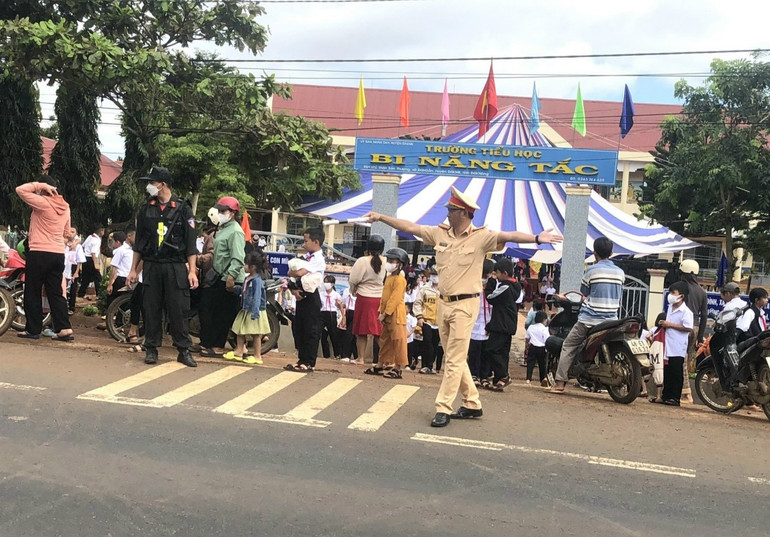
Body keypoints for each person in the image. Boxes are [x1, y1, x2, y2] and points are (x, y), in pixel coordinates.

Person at [364, 185, 562, 427]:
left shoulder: (481, 236)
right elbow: (411, 227)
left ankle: (443, 407)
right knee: (453, 356)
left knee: (454, 359)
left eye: (451, 209)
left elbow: (508, 236)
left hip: (466, 305)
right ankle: (472, 402)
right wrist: (382, 217)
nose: (447, 212)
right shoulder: (440, 233)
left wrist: (537, 239)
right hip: (444, 303)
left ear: (464, 213)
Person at [127, 166, 198, 368]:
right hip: (152, 266)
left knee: (179, 309)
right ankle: (151, 348)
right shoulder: (146, 209)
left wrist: (192, 271)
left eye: (152, 182)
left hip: (175, 266)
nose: (149, 186)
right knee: (151, 308)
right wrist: (134, 269)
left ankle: (183, 350)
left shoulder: (183, 209)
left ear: (162, 184)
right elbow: (140, 244)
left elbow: (191, 244)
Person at [550, 237, 625, 394]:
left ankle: (560, 383)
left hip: (589, 319)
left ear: (595, 253)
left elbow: (583, 294)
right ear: (611, 253)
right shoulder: (620, 272)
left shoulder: (591, 271)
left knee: (568, 345)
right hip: (612, 319)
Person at [15, 175, 74, 340]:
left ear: (44, 189)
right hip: (57, 254)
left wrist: (37, 184)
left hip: (39, 252)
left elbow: (20, 190)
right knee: (55, 292)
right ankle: (64, 329)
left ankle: (33, 329)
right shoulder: (66, 207)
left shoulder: (42, 203)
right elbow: (66, 234)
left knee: (33, 291)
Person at [199, 197, 245, 358]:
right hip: (218, 275)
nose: (220, 214)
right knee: (208, 308)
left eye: (223, 211)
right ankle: (206, 343)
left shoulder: (236, 231)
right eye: (219, 211)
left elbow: (238, 257)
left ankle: (217, 346)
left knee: (222, 313)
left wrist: (231, 276)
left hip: (228, 277)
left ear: (232, 213)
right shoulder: (223, 228)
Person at [284, 227, 325, 373]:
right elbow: (290, 272)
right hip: (300, 294)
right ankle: (301, 359)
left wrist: (296, 272)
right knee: (299, 327)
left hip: (311, 296)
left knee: (310, 330)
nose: (304, 243)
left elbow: (299, 272)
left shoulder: (319, 259)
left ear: (316, 242)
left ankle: (309, 362)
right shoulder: (307, 257)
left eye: (306, 240)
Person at [481, 258, 521, 392]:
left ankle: (504, 375)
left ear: (504, 273)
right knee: (503, 352)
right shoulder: (516, 286)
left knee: (491, 349)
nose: (495, 276)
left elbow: (491, 298)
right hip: (507, 325)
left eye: (496, 273)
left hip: (501, 325)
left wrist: (491, 282)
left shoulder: (505, 287)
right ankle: (499, 379)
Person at [348, 234, 386, 365]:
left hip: (364, 297)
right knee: (378, 331)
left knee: (361, 331)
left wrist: (353, 290)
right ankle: (384, 359)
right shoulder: (386, 261)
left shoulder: (362, 261)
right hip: (380, 298)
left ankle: (361, 358)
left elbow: (354, 279)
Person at [225, 252, 269, 365]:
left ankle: (257, 356)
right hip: (246, 309)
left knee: (256, 334)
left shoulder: (257, 281)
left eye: (246, 264)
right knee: (240, 330)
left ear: (253, 267)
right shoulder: (248, 278)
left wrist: (255, 312)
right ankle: (239, 351)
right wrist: (235, 289)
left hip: (254, 311)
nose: (244, 266)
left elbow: (257, 297)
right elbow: (245, 291)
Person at [371, 247, 409, 379]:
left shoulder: (400, 279)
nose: (389, 263)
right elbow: (385, 297)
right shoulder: (389, 278)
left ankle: (398, 367)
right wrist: (381, 311)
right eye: (389, 260)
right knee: (385, 340)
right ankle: (382, 363)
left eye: (392, 261)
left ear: (400, 264)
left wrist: (385, 313)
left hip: (396, 314)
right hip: (387, 313)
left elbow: (394, 299)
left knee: (398, 341)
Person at [659, 281, 693, 407]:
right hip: (668, 344)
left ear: (681, 296)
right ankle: (666, 395)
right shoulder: (670, 308)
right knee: (667, 371)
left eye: (674, 293)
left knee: (676, 373)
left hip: (678, 346)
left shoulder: (686, 312)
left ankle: (675, 397)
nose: (671, 295)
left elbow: (688, 327)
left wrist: (670, 325)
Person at [678, 259, 707, 404]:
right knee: (688, 360)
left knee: (680, 360)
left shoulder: (681, 288)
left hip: (681, 328)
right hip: (695, 328)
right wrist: (700, 336)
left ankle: (686, 393)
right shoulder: (702, 291)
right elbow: (704, 315)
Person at [467, 258, 495, 386]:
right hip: (474, 322)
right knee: (474, 351)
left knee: (486, 351)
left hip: (488, 322)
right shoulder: (471, 283)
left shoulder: (493, 286)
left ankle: (484, 376)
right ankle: (474, 374)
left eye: (487, 275)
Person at [413, 268, 441, 374]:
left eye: (437, 275)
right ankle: (425, 365)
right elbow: (417, 303)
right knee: (427, 342)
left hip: (439, 323)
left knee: (435, 345)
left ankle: (430, 365)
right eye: (433, 275)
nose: (435, 277)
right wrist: (419, 317)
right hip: (427, 321)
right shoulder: (425, 289)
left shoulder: (444, 290)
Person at [319, 274, 344, 359]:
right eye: (325, 282)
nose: (326, 284)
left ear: (332, 284)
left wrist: (343, 317)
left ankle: (337, 354)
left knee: (333, 335)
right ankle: (326, 355)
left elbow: (340, 306)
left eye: (328, 282)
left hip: (331, 314)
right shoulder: (321, 294)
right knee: (322, 335)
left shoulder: (336, 295)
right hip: (322, 314)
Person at [106, 231, 133, 307]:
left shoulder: (122, 251)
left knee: (113, 299)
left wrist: (110, 284)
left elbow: (114, 268)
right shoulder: (127, 250)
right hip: (127, 279)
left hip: (123, 279)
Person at [78, 224, 105, 299]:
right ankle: (100, 295)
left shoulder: (90, 237)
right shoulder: (96, 240)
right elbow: (93, 252)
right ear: (101, 231)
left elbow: (83, 246)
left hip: (85, 258)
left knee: (85, 278)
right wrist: (96, 264)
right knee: (98, 278)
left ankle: (81, 293)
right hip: (91, 259)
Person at [64, 226, 86, 314]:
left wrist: (76, 272)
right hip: (64, 267)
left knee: (73, 289)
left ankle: (71, 307)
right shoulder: (64, 244)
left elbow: (79, 261)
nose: (70, 233)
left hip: (73, 268)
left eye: (73, 232)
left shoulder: (78, 247)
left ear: (76, 234)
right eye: (69, 231)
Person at [526, 310, 550, 386]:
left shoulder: (531, 327)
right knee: (542, 364)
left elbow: (527, 337)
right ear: (544, 319)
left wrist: (527, 346)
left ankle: (528, 379)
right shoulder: (545, 329)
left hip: (532, 346)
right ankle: (542, 379)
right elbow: (547, 339)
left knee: (530, 363)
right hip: (542, 348)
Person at [339, 285, 358, 362]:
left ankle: (346, 355)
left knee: (349, 334)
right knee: (349, 334)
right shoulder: (346, 291)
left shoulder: (360, 291)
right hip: (348, 312)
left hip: (356, 312)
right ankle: (354, 355)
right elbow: (343, 303)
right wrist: (343, 316)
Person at [405, 302, 419, 370]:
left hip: (409, 338)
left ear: (409, 309)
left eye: (405, 308)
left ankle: (408, 364)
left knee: (409, 352)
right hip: (403, 337)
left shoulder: (411, 318)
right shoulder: (402, 316)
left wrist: (409, 333)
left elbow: (413, 327)